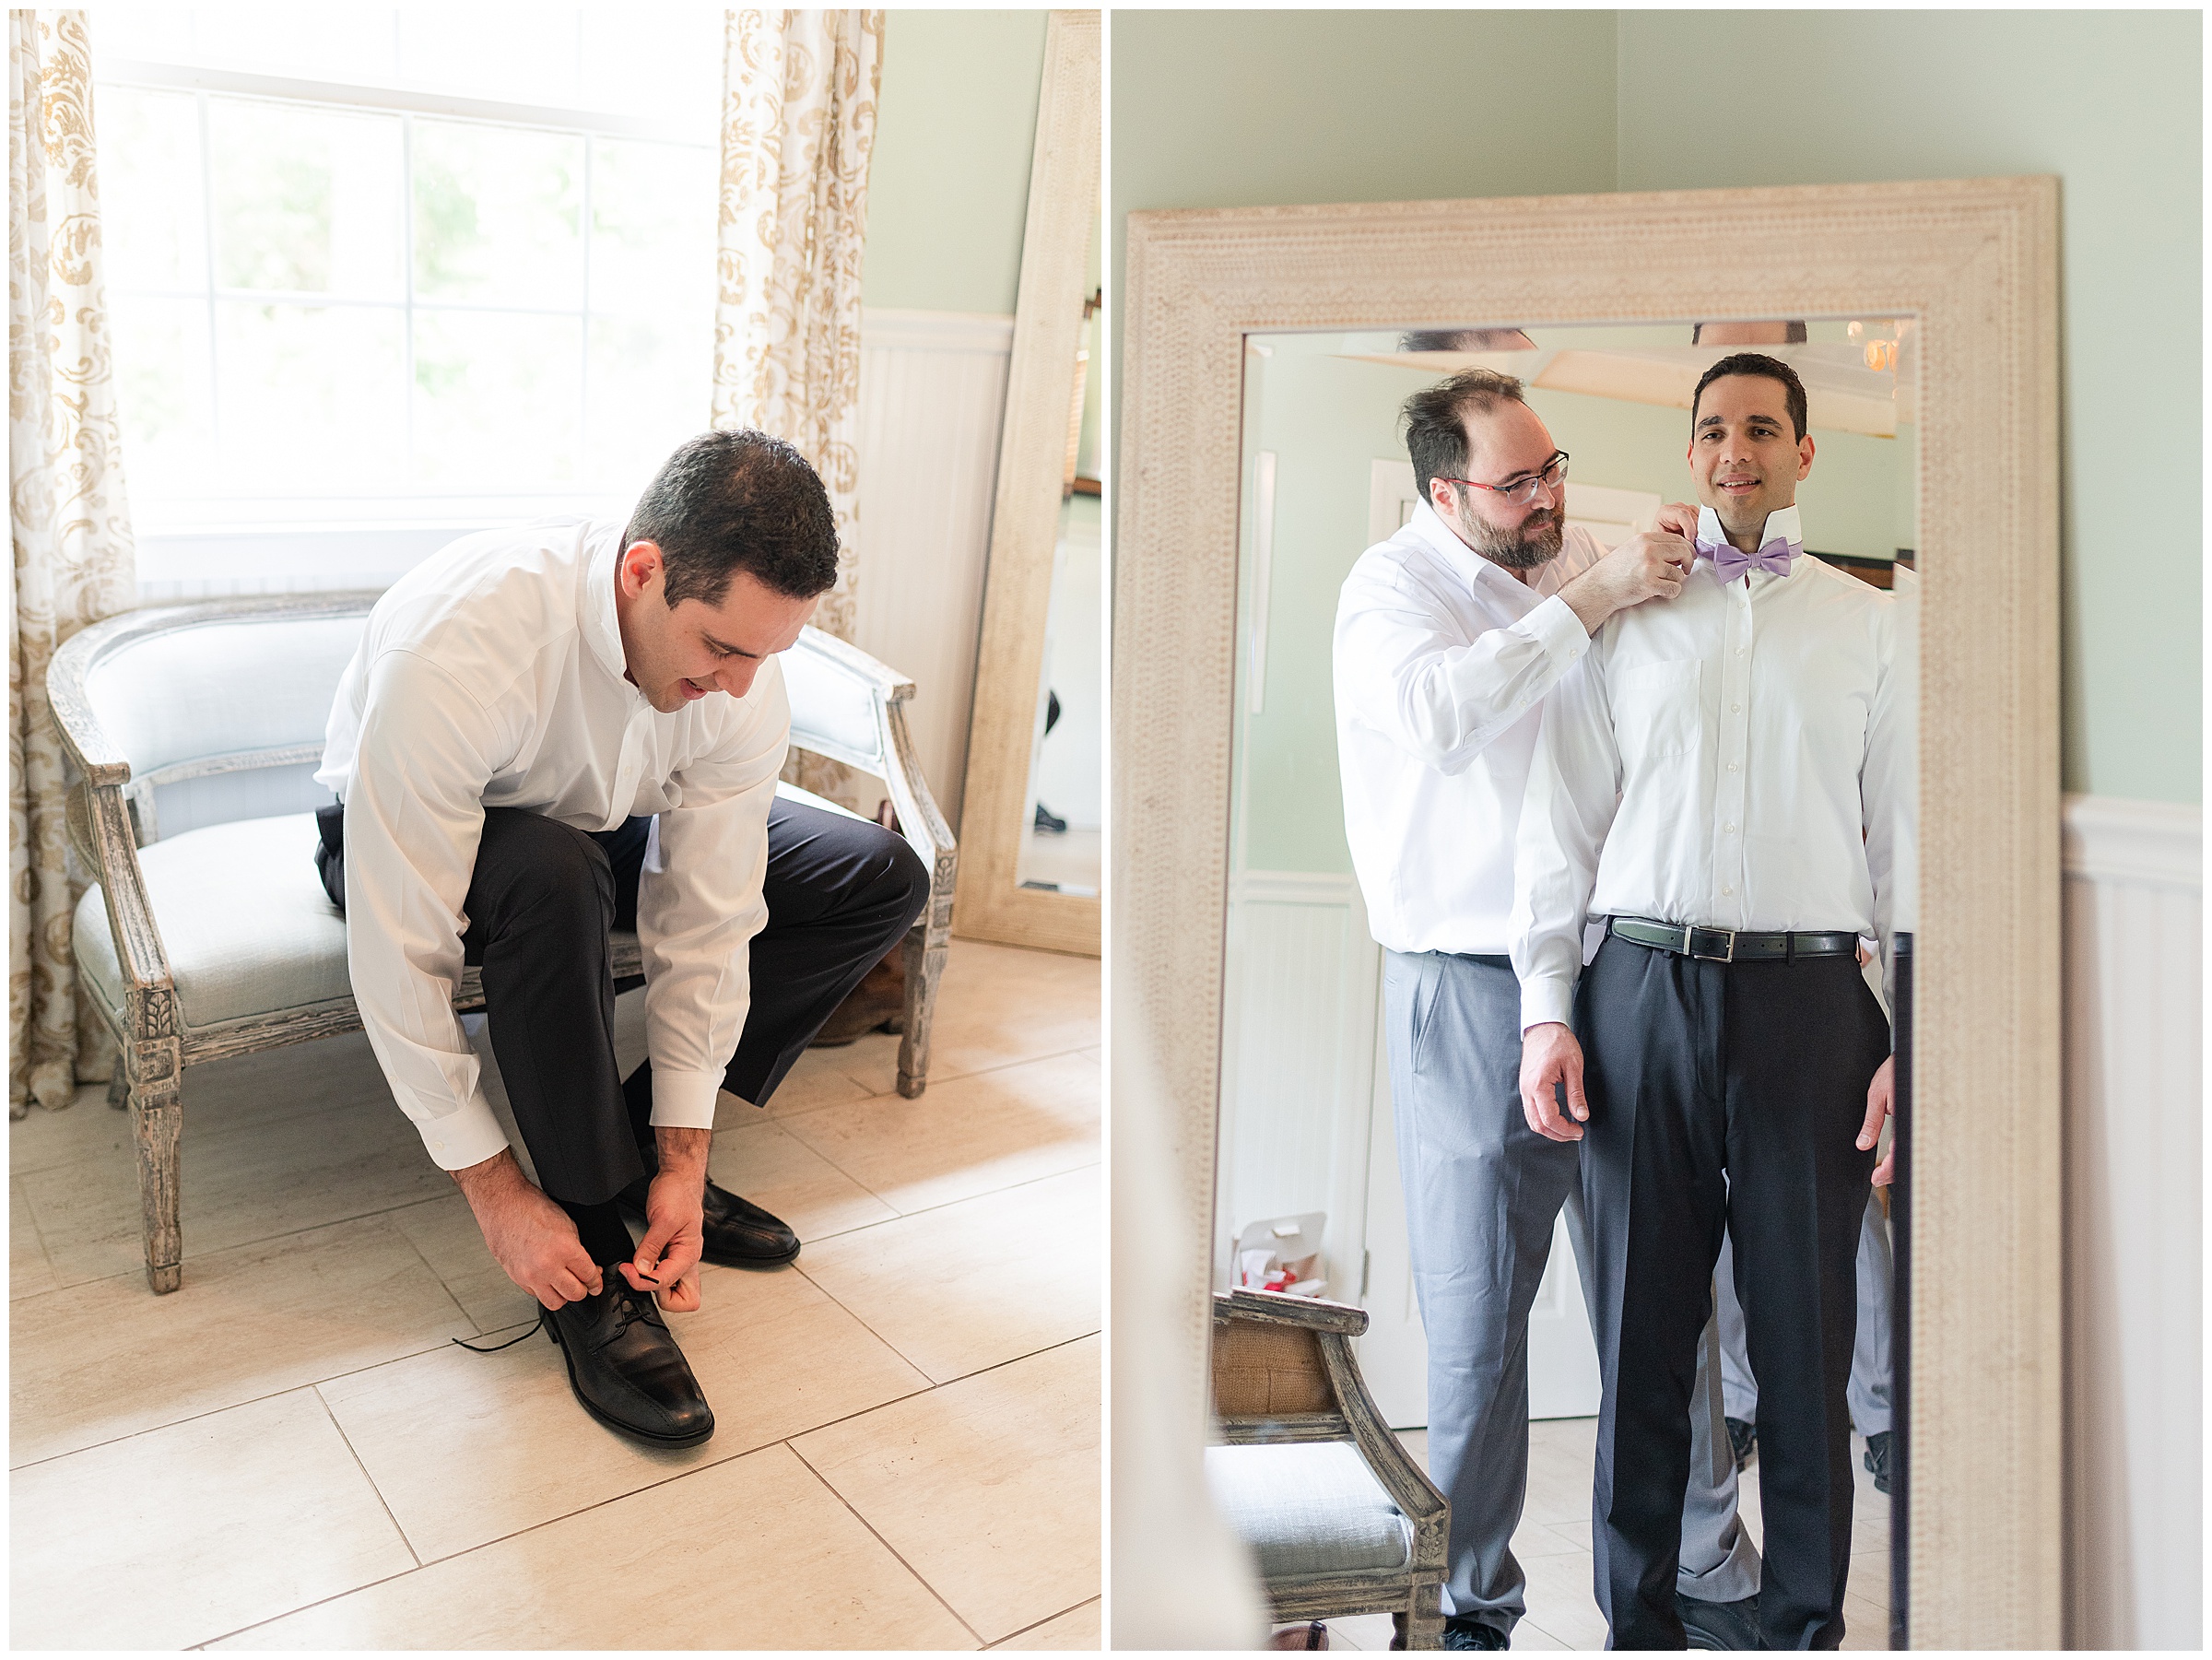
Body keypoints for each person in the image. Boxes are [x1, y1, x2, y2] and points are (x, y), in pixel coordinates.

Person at [314, 430, 929, 1447]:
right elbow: (398, 946)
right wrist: (496, 1193)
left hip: (595, 814)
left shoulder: (738, 679)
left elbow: (711, 910)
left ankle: (641, 1158)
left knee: (874, 874)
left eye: (767, 655)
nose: (741, 685)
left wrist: (687, 1148)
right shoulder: (464, 646)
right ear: (642, 571)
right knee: (554, 872)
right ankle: (591, 1259)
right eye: (723, 648)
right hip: (404, 834)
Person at [1332, 367, 1763, 1651]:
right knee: (1476, 1335)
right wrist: (1590, 598)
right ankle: (1469, 1607)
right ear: (1443, 489)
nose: (1550, 498)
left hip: (1614, 977)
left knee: (1665, 1298)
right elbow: (1440, 720)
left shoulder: (1578, 559)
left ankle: (1706, 1562)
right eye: (1519, 482)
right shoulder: (1387, 593)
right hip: (1464, 994)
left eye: (1555, 466)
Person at [1513, 353, 1899, 1648]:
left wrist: (1915, 1037)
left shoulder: (1870, 623)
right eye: (1713, 430)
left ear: (1802, 452)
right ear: (1691, 453)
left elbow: (1906, 844)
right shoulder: (1621, 612)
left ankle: (1801, 1626)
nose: (1737, 450)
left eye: (1763, 429)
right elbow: (1558, 825)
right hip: (1640, 992)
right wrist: (1547, 1008)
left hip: (1811, 1010)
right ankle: (1638, 1627)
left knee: (1804, 1355)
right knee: (1641, 1351)